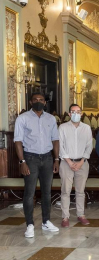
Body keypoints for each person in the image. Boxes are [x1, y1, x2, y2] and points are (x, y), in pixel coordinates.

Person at [14, 92, 60, 238]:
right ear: (30, 102)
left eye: (41, 100)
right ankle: (30, 225)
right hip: (30, 158)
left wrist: (57, 159)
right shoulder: (23, 118)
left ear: (45, 102)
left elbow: (55, 139)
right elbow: (18, 141)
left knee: (47, 192)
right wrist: (22, 162)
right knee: (29, 193)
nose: (38, 102)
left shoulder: (51, 118)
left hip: (47, 158)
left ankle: (46, 221)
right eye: (35, 100)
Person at [58, 104, 93, 227]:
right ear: (69, 114)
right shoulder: (62, 127)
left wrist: (82, 161)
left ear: (82, 114)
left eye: (78, 112)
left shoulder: (87, 128)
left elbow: (89, 146)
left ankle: (81, 214)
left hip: (82, 163)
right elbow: (60, 146)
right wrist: (69, 162)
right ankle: (65, 217)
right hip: (66, 162)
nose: (76, 114)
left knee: (80, 191)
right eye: (73, 112)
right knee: (66, 191)